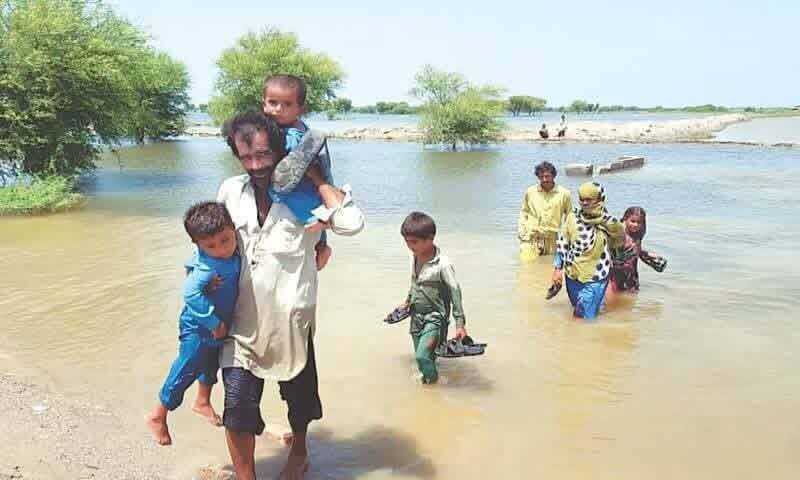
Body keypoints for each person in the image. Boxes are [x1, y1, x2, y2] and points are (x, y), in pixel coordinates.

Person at [217, 111, 364, 480]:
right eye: (246, 157)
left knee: (299, 403)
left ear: (280, 149)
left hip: (291, 320)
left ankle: (299, 452)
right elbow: (213, 245)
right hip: (239, 321)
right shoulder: (231, 191)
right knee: (236, 406)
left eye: (264, 156)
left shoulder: (308, 199)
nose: (256, 165)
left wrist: (316, 179)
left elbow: (351, 223)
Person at [146, 201, 241, 446]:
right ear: (197, 244)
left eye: (225, 240)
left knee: (210, 365)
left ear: (234, 229)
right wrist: (212, 320)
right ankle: (158, 415)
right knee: (187, 367)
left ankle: (202, 402)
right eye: (210, 246)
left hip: (217, 326)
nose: (221, 249)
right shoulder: (207, 267)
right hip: (198, 328)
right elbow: (190, 293)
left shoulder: (232, 251)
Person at [262, 74, 334, 271]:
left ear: (300, 109)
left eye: (287, 104)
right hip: (314, 188)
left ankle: (322, 231)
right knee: (317, 208)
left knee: (306, 210)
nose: (278, 109)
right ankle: (323, 245)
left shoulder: (290, 134)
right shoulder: (302, 128)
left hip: (298, 185)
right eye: (273, 102)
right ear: (264, 103)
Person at [398, 211, 468, 384]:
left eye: (414, 242)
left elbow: (455, 292)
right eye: (407, 242)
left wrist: (460, 324)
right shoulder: (415, 257)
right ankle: (428, 390)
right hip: (416, 316)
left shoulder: (443, 264)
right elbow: (415, 282)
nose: (409, 246)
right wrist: (407, 302)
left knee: (422, 357)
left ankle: (433, 387)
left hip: (435, 318)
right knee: (424, 357)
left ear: (430, 239)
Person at [550, 182, 624, 320]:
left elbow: (619, 247)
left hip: (596, 276)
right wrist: (557, 269)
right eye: (582, 199)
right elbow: (562, 243)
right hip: (573, 275)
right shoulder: (572, 218)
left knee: (582, 316)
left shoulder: (612, 224)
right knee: (580, 310)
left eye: (589, 200)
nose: (584, 203)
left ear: (600, 199)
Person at [517, 161, 572, 260]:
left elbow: (569, 217)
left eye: (547, 176)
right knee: (526, 267)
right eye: (541, 176)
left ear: (553, 176)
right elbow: (524, 212)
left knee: (549, 268)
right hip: (531, 237)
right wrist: (521, 229)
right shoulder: (530, 192)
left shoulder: (564, 194)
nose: (544, 179)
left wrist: (568, 237)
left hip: (552, 238)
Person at [609, 206, 667, 294]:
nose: (635, 225)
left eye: (639, 222)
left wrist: (649, 256)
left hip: (632, 275)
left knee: (632, 297)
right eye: (632, 221)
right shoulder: (619, 235)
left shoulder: (637, 236)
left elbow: (636, 251)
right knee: (614, 300)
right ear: (625, 219)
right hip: (616, 274)